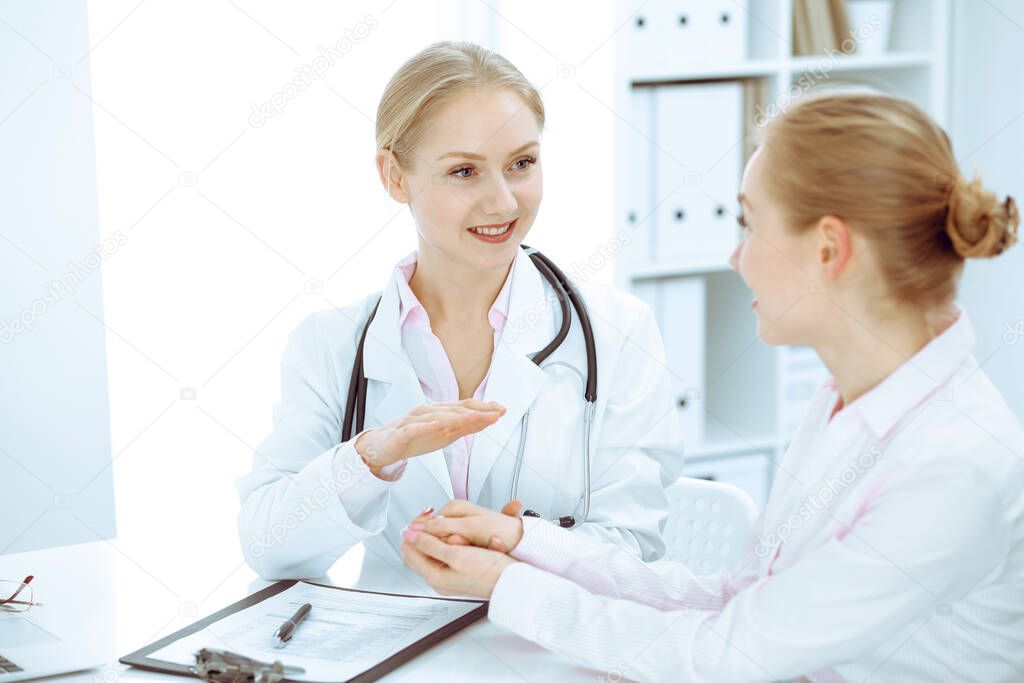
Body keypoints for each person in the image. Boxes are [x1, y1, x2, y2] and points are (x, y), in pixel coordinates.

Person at [400, 92, 1024, 681]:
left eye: (749, 225)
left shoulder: (952, 464)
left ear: (829, 248)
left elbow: (730, 656)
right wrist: (526, 543)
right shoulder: (849, 402)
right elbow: (741, 603)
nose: (735, 257)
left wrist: (505, 586)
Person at [235, 41, 683, 580]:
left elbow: (634, 550)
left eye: (522, 163)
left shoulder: (618, 332)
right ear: (394, 176)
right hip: (394, 657)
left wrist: (516, 546)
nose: (503, 202)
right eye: (465, 172)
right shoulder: (330, 344)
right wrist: (371, 457)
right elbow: (269, 546)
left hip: (548, 656)